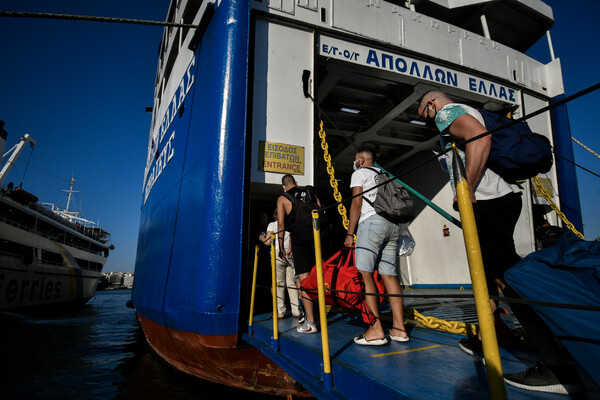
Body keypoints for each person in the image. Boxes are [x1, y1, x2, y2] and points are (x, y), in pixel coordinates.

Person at [418, 90, 584, 394]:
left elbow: (480, 138)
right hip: (504, 199)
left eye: (424, 113)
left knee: (510, 278)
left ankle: (557, 365)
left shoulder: (447, 112)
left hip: (490, 203)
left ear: (431, 104)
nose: (427, 120)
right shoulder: (468, 110)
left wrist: (465, 188)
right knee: (491, 274)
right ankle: (490, 338)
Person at [343, 147, 409, 346]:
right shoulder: (386, 174)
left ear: (361, 159)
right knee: (389, 275)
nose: (355, 163)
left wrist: (349, 233)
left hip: (371, 224)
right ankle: (399, 329)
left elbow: (356, 203)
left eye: (356, 160)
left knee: (365, 273)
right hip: (392, 225)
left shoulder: (359, 173)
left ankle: (376, 329)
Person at [276, 174, 321, 333]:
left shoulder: (283, 198)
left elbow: (281, 223)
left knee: (304, 279)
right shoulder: (309, 192)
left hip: (299, 241)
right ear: (295, 183)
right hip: (316, 239)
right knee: (317, 277)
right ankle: (316, 314)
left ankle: (310, 322)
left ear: (283, 186)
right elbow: (320, 209)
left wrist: (281, 245)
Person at [259, 209, 301, 319]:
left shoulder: (272, 225)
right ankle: (296, 310)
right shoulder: (290, 224)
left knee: (279, 284)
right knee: (291, 284)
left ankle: (280, 311)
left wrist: (261, 237)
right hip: (289, 253)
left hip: (277, 253)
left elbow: (268, 242)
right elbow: (292, 239)